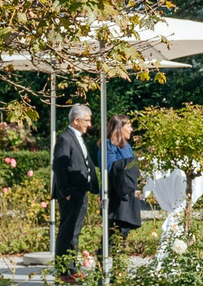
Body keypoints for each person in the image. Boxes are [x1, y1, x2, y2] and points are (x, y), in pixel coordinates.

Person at [51, 104, 95, 260]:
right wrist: (66, 192)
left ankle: (71, 266)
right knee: (68, 231)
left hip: (80, 192)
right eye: (86, 120)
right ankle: (65, 268)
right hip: (72, 193)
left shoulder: (76, 138)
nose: (89, 124)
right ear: (76, 120)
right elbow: (59, 166)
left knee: (74, 231)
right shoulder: (65, 138)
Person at [105, 115, 146, 246]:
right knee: (115, 233)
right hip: (116, 195)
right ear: (119, 128)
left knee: (122, 234)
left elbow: (131, 168)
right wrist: (133, 161)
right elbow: (110, 168)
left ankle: (114, 257)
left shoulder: (127, 146)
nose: (131, 129)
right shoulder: (108, 145)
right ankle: (105, 257)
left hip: (128, 194)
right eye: (128, 126)